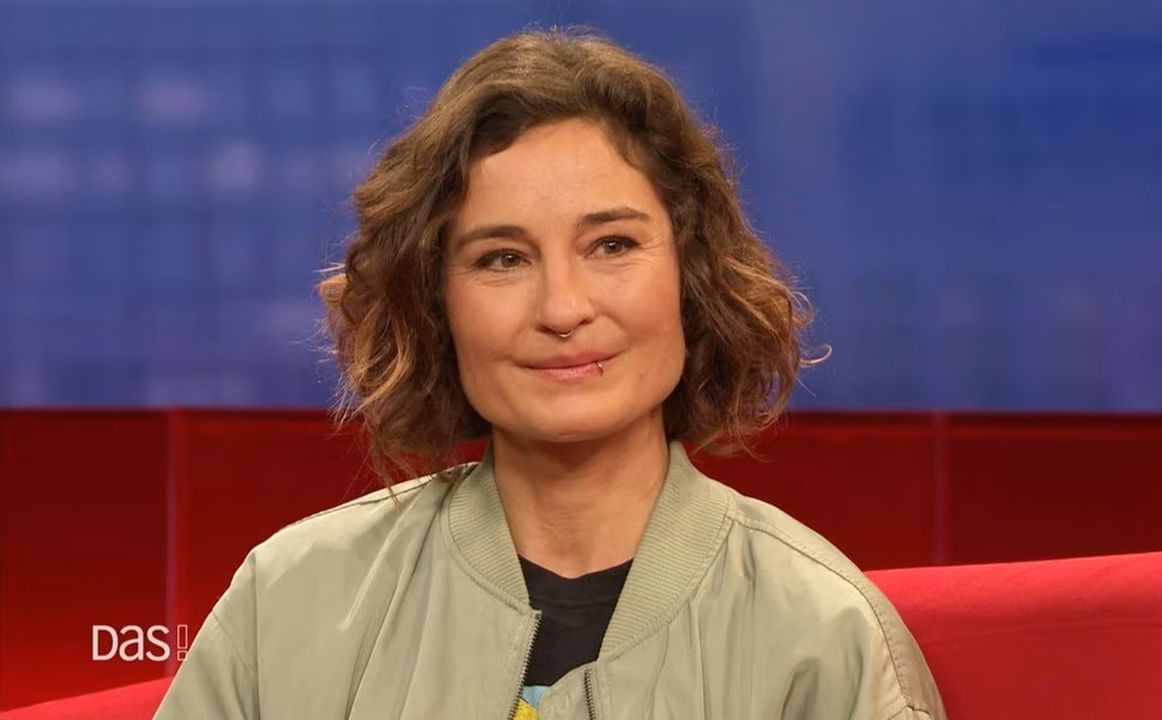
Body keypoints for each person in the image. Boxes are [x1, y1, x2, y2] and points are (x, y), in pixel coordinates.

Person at [154, 27, 946, 720]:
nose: (563, 308)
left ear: (690, 275)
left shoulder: (822, 632)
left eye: (612, 246)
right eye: (502, 259)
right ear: (435, 304)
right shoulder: (290, 602)